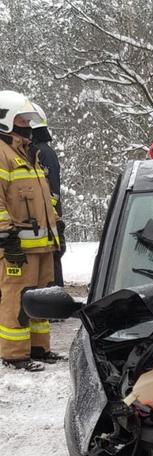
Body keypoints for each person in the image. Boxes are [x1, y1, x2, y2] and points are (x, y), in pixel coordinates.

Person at [0, 91, 60, 371]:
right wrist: (6, 235)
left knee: (41, 297)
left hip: (41, 244)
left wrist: (56, 224)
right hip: (17, 246)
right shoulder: (3, 155)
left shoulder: (26, 153)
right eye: (22, 119)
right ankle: (15, 354)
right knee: (17, 297)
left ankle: (39, 347)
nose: (27, 125)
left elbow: (40, 198)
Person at [30, 102, 65, 287]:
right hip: (47, 220)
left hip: (47, 220)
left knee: (50, 263)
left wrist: (48, 214)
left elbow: (50, 191)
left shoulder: (41, 152)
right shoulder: (44, 151)